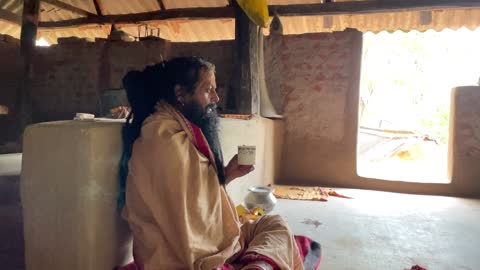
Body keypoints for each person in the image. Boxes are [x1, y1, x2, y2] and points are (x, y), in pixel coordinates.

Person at [119, 57, 309, 270]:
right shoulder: (163, 139)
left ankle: (257, 266)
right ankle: (256, 265)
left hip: (209, 242)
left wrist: (227, 175)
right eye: (208, 89)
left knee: (274, 223)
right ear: (180, 93)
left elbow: (194, 200)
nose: (216, 98)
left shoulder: (181, 129)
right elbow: (186, 228)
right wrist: (220, 251)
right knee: (270, 238)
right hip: (178, 257)